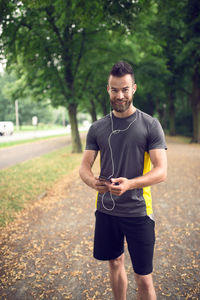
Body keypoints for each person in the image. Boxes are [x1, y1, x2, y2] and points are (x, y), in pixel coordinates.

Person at [79, 61, 167, 300]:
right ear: (108, 89)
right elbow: (84, 167)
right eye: (115, 89)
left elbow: (161, 171)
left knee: (144, 277)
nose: (120, 95)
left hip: (139, 211)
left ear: (134, 88)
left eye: (125, 89)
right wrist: (92, 181)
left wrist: (130, 184)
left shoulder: (150, 125)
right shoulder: (97, 128)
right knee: (115, 263)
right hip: (107, 211)